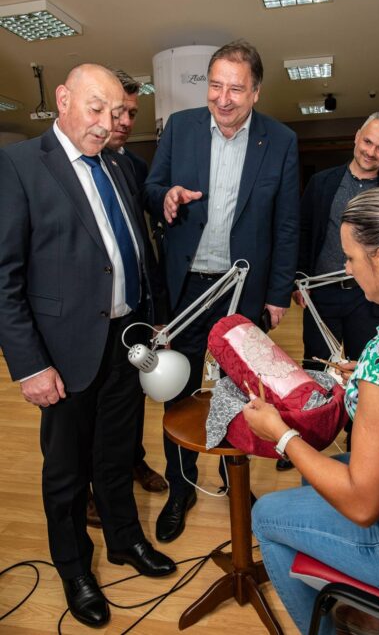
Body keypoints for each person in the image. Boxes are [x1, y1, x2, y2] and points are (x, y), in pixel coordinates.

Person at [0, 64, 176, 629]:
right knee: (67, 473)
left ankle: (124, 540)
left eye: (115, 112)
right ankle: (75, 568)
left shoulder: (118, 165)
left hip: (126, 340)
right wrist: (30, 366)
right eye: (95, 108)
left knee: (116, 454)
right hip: (63, 353)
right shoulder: (20, 165)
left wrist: (153, 317)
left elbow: (134, 249)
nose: (106, 123)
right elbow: (4, 278)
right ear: (63, 99)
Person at [243, 186, 379, 635]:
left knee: (266, 515)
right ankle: (363, 608)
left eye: (350, 258)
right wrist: (369, 386)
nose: (347, 268)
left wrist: (281, 435)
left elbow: (364, 504)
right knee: (318, 475)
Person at [146, 40, 299, 543]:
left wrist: (277, 293)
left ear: (256, 92)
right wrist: (166, 196)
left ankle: (235, 480)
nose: (223, 98)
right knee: (179, 389)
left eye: (236, 88)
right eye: (215, 86)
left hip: (245, 289)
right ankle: (181, 486)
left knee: (240, 392)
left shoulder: (280, 140)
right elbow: (151, 188)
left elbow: (287, 224)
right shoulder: (180, 127)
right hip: (187, 288)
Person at [278, 112, 379, 471]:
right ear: (357, 136)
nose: (371, 152)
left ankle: (358, 445)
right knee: (316, 370)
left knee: (367, 373)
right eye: (368, 142)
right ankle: (304, 442)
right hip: (321, 294)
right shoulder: (322, 183)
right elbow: (303, 232)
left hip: (370, 299)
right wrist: (298, 279)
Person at [87, 69, 166, 529]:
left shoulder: (133, 166)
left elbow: (142, 243)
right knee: (88, 411)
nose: (124, 122)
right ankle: (90, 489)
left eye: (131, 113)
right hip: (89, 316)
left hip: (131, 309)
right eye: (117, 111)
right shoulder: (73, 165)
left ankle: (132, 460)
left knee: (130, 396)